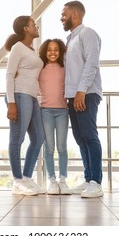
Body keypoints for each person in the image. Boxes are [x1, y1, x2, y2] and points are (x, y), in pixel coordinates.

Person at [60, 0, 104, 198]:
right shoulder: (70, 40)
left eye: (64, 14)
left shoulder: (88, 34)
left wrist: (81, 91)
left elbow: (92, 63)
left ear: (75, 14)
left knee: (89, 135)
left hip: (86, 93)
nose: (62, 18)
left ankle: (96, 182)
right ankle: (88, 179)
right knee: (80, 138)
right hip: (73, 95)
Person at [4, 15, 46, 196]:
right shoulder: (18, 47)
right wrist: (11, 103)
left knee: (39, 138)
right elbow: (9, 75)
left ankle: (27, 178)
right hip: (19, 96)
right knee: (17, 138)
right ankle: (17, 180)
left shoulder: (31, 50)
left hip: (31, 97)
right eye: (33, 24)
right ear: (25, 28)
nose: (36, 27)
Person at [38, 39, 73, 195]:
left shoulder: (65, 68)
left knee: (62, 147)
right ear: (45, 52)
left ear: (61, 52)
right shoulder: (40, 68)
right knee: (49, 148)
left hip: (62, 111)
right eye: (49, 50)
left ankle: (63, 180)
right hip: (45, 111)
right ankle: (52, 181)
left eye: (56, 49)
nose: (52, 52)